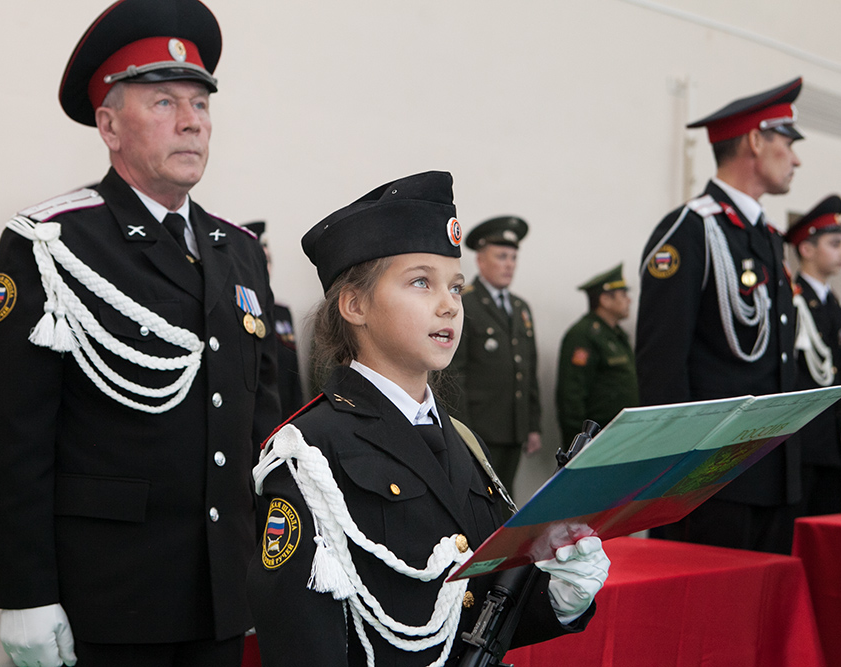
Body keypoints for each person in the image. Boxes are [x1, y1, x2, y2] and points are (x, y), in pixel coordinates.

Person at [0, 2, 279, 666]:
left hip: (223, 590)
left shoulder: (240, 250)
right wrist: (24, 592)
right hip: (108, 594)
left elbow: (262, 423)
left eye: (200, 103)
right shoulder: (54, 242)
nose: (193, 120)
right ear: (108, 125)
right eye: (164, 101)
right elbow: (9, 434)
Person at [247, 170, 609, 666]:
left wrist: (559, 598)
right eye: (421, 282)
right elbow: (302, 641)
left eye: (456, 287)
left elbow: (481, 616)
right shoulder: (308, 452)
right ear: (355, 305)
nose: (449, 306)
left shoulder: (461, 441)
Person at [636, 77, 804, 554]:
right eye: (788, 143)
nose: (796, 158)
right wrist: (677, 479)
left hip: (773, 473)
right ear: (755, 140)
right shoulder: (689, 231)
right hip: (712, 483)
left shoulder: (768, 237)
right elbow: (661, 366)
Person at [446, 216, 541, 496]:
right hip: (481, 427)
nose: (509, 264)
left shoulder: (520, 307)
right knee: (481, 497)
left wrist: (532, 425)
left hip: (514, 426)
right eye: (501, 256)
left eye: (513, 257)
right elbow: (454, 372)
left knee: (506, 495)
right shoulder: (466, 303)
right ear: (480, 260)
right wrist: (463, 431)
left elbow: (529, 370)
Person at [785, 195, 841, 516]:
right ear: (807, 249)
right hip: (802, 440)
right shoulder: (792, 300)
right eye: (835, 243)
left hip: (830, 438)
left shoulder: (835, 304)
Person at [556, 263, 638, 438]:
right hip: (598, 439)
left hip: (621, 435)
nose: (629, 300)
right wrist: (578, 443)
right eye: (623, 294)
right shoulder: (583, 334)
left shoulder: (616, 334)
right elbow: (571, 396)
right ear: (605, 300)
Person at [244, 221, 305, 417]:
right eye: (259, 260)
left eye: (268, 260)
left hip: (286, 418)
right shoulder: (236, 311)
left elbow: (294, 373)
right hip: (252, 419)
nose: (265, 267)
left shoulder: (281, 312)